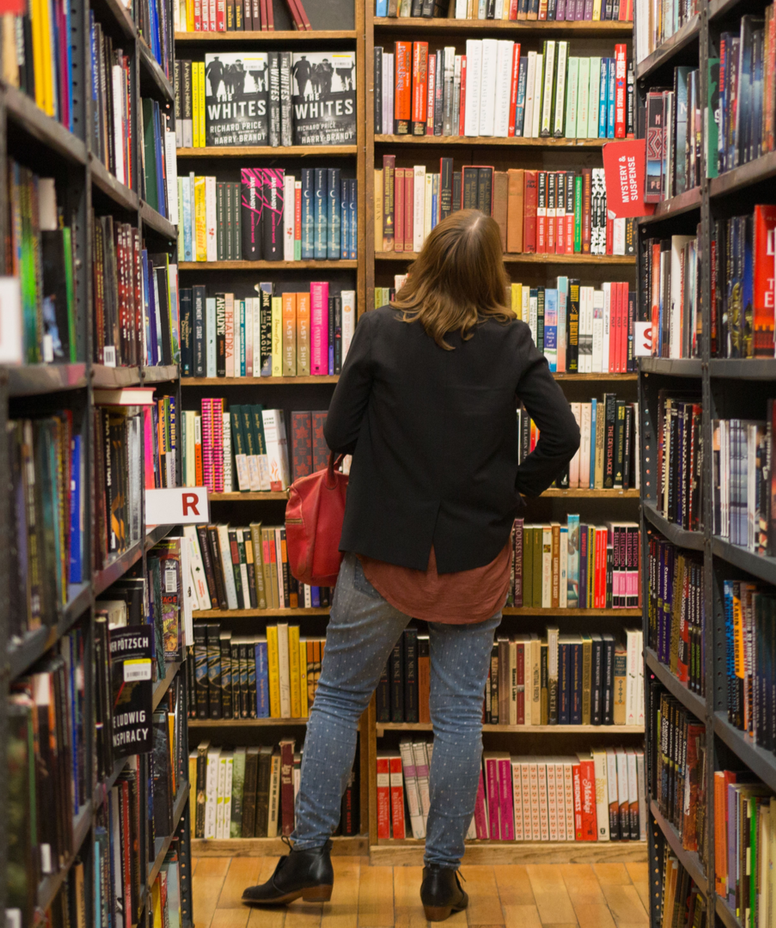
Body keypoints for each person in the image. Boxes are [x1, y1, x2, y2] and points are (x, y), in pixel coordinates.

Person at [241, 210, 580, 921]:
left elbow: (337, 433)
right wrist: (514, 490)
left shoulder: (379, 327)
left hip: (383, 552)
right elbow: (564, 435)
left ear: (425, 261)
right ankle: (439, 879)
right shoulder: (512, 340)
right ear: (493, 275)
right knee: (457, 717)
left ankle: (309, 856)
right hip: (473, 554)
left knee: (338, 698)